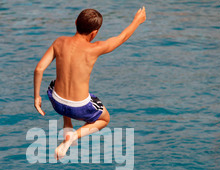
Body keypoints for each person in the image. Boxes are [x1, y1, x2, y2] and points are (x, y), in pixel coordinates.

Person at [33, 7, 146, 160]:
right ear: (94, 33)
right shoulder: (95, 48)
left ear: (75, 23)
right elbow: (122, 37)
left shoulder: (59, 42)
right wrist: (137, 21)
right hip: (79, 107)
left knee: (54, 83)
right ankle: (73, 136)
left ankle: (67, 124)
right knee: (104, 119)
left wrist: (36, 98)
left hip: (57, 103)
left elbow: (39, 69)